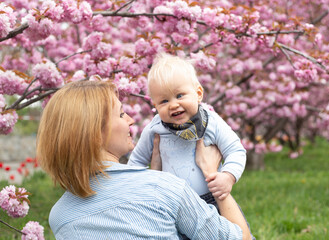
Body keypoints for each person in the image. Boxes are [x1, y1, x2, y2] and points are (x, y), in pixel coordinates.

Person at [36, 80, 251, 239]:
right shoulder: (166, 188)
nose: (130, 120)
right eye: (121, 115)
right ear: (94, 133)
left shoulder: (60, 217)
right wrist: (214, 178)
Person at [128, 52, 247, 203]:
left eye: (179, 96)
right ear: (155, 105)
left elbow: (235, 150)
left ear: (198, 94)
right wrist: (139, 189)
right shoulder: (155, 128)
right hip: (171, 201)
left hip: (210, 199)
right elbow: (136, 162)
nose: (173, 105)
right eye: (164, 101)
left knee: (234, 227)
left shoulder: (211, 121)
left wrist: (228, 176)